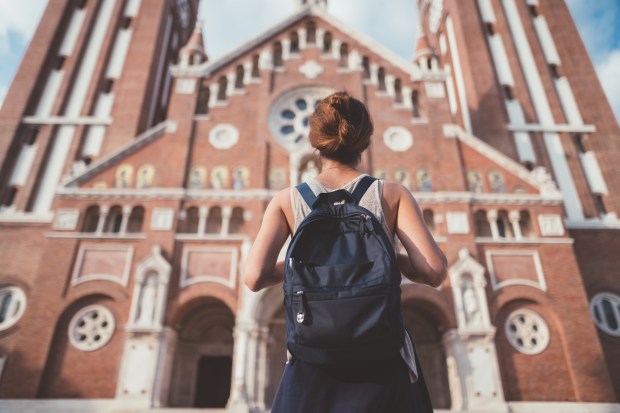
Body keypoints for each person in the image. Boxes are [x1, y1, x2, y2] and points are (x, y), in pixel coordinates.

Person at [243, 91, 448, 412]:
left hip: (312, 362)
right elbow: (434, 271)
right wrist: (381, 261)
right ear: (365, 140)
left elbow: (254, 276)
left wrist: (311, 266)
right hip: (381, 361)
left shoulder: (288, 199)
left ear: (315, 143)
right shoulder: (391, 194)